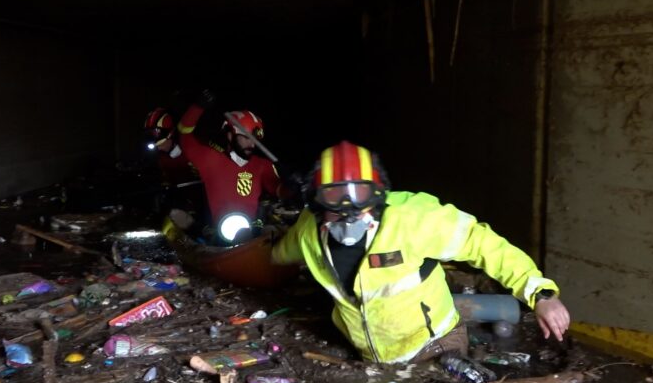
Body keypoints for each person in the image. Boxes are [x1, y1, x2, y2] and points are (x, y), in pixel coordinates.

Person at [272, 141, 570, 363]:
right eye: (335, 200)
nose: (349, 213)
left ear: (378, 195)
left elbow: (484, 244)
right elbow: (277, 255)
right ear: (315, 202)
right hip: (372, 355)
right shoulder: (307, 231)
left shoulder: (415, 218)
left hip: (435, 345)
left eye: (360, 199)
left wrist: (541, 294)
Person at [177, 104, 292, 241]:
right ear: (230, 135)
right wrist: (197, 107)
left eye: (255, 140)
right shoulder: (210, 159)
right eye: (246, 137)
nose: (252, 145)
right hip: (219, 233)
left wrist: (291, 186)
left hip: (252, 231)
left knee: (275, 232)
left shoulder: (262, 165)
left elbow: (277, 189)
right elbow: (185, 136)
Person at [143, 108, 197, 186]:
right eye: (150, 134)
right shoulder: (159, 158)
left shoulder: (190, 149)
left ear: (170, 133)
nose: (153, 137)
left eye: (155, 132)